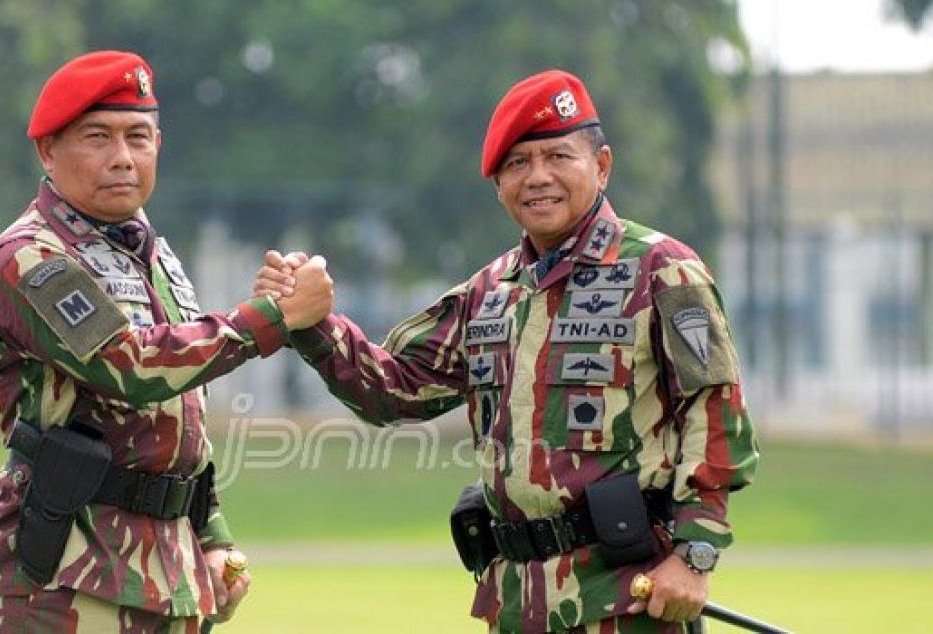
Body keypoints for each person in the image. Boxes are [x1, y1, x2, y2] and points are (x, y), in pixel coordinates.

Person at [256, 69, 758, 633]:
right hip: (518, 603)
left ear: (602, 165)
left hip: (627, 600)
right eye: (517, 164)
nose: (537, 177)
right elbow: (392, 389)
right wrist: (312, 321)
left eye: (557, 156)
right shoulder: (486, 293)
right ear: (498, 184)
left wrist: (695, 554)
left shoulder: (663, 270)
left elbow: (714, 414)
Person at [0, 50, 332, 632]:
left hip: (168, 576)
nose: (123, 158)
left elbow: (181, 411)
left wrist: (213, 535)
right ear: (47, 150)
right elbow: (130, 366)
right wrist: (272, 317)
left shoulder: (150, 254)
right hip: (60, 580)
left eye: (139, 136)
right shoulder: (30, 258)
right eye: (97, 137)